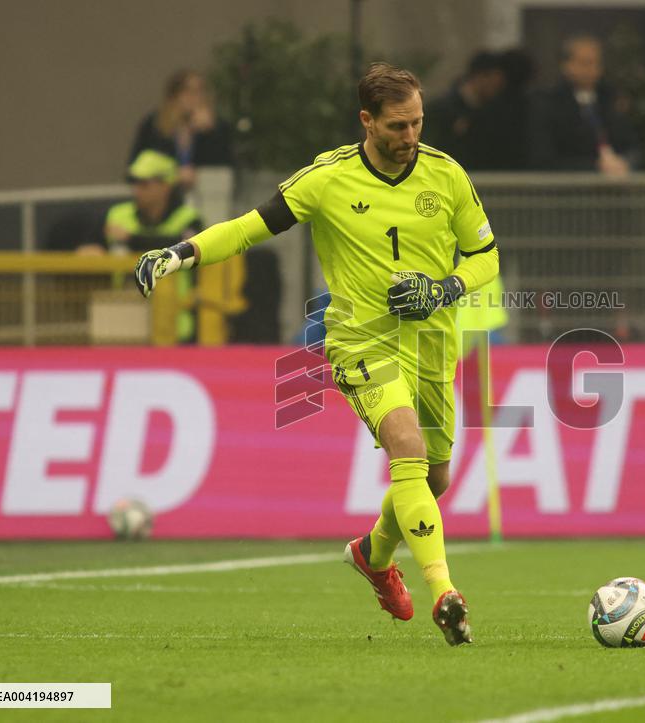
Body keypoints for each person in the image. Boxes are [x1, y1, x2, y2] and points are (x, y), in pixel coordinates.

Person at [133, 62, 499, 646]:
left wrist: (446, 287)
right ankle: (445, 593)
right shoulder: (327, 179)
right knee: (404, 443)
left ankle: (373, 555)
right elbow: (250, 227)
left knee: (434, 478)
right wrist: (181, 253)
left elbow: (487, 257)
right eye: (399, 126)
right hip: (360, 339)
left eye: (418, 124)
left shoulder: (446, 175)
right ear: (367, 120)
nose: (411, 138)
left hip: (433, 344)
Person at [104, 150, 204, 343]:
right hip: (125, 322)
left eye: (145, 184)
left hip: (176, 326)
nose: (137, 190)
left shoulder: (189, 218)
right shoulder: (118, 215)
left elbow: (183, 248)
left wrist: (131, 239)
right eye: (135, 183)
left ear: (165, 186)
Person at [529, 35, 638, 175]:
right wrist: (595, 167)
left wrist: (625, 162)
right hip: (568, 188)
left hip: (615, 186)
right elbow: (543, 159)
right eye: (585, 63)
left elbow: (631, 144)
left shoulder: (610, 99)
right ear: (566, 66)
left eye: (596, 63)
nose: (592, 69)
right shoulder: (547, 103)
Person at [128, 69, 233, 189]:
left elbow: (224, 168)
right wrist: (174, 175)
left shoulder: (218, 127)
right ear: (174, 96)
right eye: (189, 91)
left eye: (200, 91)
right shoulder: (154, 125)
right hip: (164, 195)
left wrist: (210, 133)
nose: (195, 98)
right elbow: (136, 169)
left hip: (205, 194)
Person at [425, 52, 507, 169]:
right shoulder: (440, 109)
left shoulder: (494, 110)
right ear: (479, 77)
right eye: (494, 85)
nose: (496, 91)